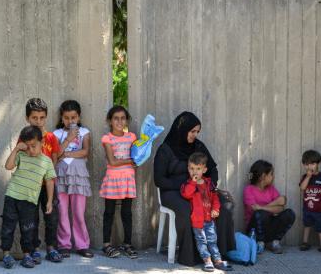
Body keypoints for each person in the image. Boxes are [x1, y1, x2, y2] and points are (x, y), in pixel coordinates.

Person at [153, 111, 236, 266]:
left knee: (225, 204)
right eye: (192, 131)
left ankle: (219, 253)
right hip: (173, 192)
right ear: (182, 129)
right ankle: (191, 256)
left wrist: (210, 186)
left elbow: (213, 169)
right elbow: (159, 180)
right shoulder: (165, 149)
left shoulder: (198, 146)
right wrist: (185, 185)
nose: (194, 135)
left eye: (197, 132)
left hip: (200, 189)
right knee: (187, 208)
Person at [1, 126, 56, 269]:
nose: (31, 150)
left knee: (28, 229)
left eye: (34, 146)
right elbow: (8, 166)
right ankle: (6, 255)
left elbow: (50, 181)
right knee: (8, 227)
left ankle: (27, 255)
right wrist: (16, 149)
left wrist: (49, 201)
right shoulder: (22, 155)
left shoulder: (46, 161)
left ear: (42, 142)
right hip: (12, 196)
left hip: (30, 201)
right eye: (28, 146)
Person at [53, 100, 93, 258]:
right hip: (61, 176)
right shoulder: (56, 134)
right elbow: (56, 155)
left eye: (74, 117)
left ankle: (82, 244)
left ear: (79, 117)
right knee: (62, 211)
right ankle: (64, 244)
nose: (71, 121)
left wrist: (67, 154)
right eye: (67, 118)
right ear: (61, 118)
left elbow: (85, 152)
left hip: (79, 176)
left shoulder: (84, 132)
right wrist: (68, 139)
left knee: (78, 211)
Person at [24, 98, 63, 263]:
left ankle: (51, 248)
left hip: (48, 185)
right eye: (34, 118)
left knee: (52, 218)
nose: (38, 121)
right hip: (30, 185)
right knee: (31, 219)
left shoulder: (51, 137)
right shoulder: (24, 137)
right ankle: (33, 249)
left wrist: (47, 175)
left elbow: (54, 160)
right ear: (27, 119)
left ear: (46, 117)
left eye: (42, 118)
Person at [181, 152, 233, 272]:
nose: (194, 172)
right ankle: (207, 260)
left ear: (204, 170)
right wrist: (193, 182)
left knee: (212, 240)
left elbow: (215, 198)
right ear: (188, 169)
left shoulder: (209, 183)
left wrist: (215, 209)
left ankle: (217, 259)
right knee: (202, 241)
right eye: (192, 168)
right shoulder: (188, 184)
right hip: (198, 221)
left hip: (210, 219)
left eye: (198, 169)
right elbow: (186, 194)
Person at [99, 106, 138, 259]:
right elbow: (113, 162)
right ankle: (106, 245)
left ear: (126, 120)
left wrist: (138, 159)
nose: (120, 121)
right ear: (110, 121)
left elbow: (138, 156)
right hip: (113, 179)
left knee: (127, 213)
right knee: (109, 212)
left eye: (123, 118)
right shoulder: (107, 138)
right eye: (116, 118)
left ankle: (127, 243)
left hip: (128, 179)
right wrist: (130, 160)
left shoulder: (132, 137)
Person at [243, 160, 295, 254]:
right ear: (263, 176)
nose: (273, 176)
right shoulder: (249, 190)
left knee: (289, 213)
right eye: (271, 174)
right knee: (260, 214)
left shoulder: (271, 189)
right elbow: (254, 209)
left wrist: (262, 207)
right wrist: (268, 208)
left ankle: (273, 242)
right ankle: (259, 242)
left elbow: (281, 207)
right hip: (254, 229)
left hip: (269, 227)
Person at [298, 150, 321, 252]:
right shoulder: (305, 177)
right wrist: (308, 177)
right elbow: (302, 188)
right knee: (307, 225)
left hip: (320, 209)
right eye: (307, 164)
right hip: (307, 209)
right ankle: (305, 242)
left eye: (312, 164)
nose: (309, 167)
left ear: (318, 164)